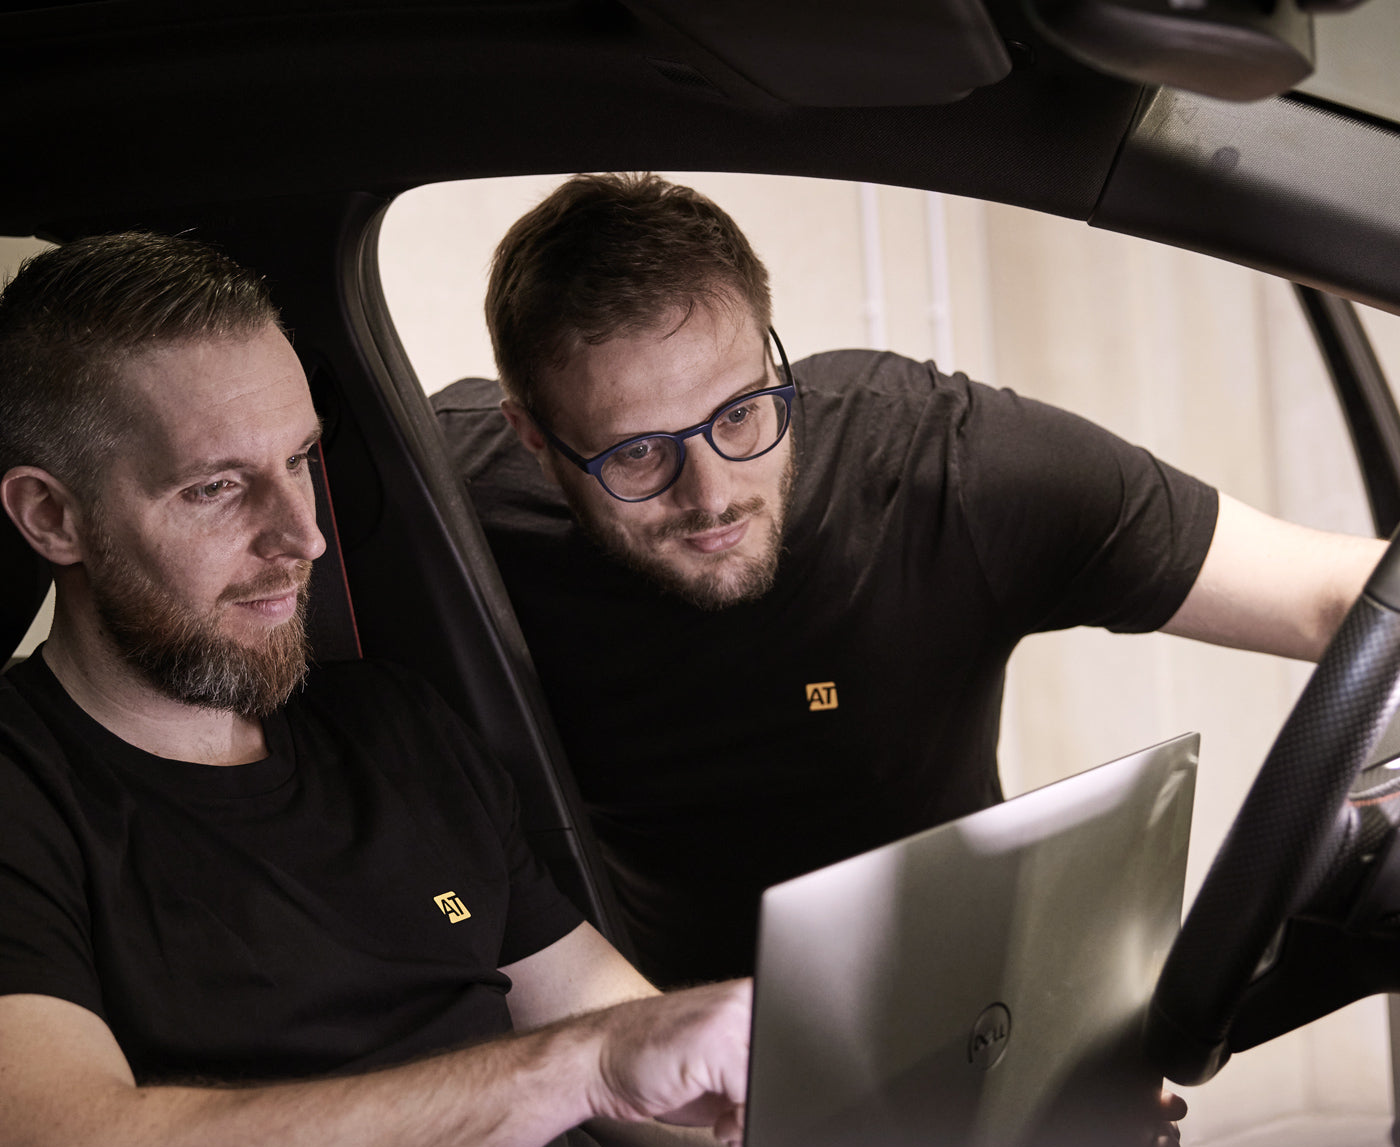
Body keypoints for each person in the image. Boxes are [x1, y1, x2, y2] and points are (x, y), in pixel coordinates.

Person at [0, 231, 752, 1147]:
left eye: (299, 462)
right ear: (52, 516)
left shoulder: (394, 725)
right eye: (216, 487)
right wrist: (577, 1072)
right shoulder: (25, 794)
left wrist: (862, 1133)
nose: (301, 537)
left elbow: (638, 1049)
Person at [433, 171, 1387, 988]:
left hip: (963, 1019)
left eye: (740, 414)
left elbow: (1336, 599)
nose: (712, 496)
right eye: (638, 454)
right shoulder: (445, 511)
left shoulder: (943, 468)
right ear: (534, 438)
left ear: (773, 356)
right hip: (656, 1053)